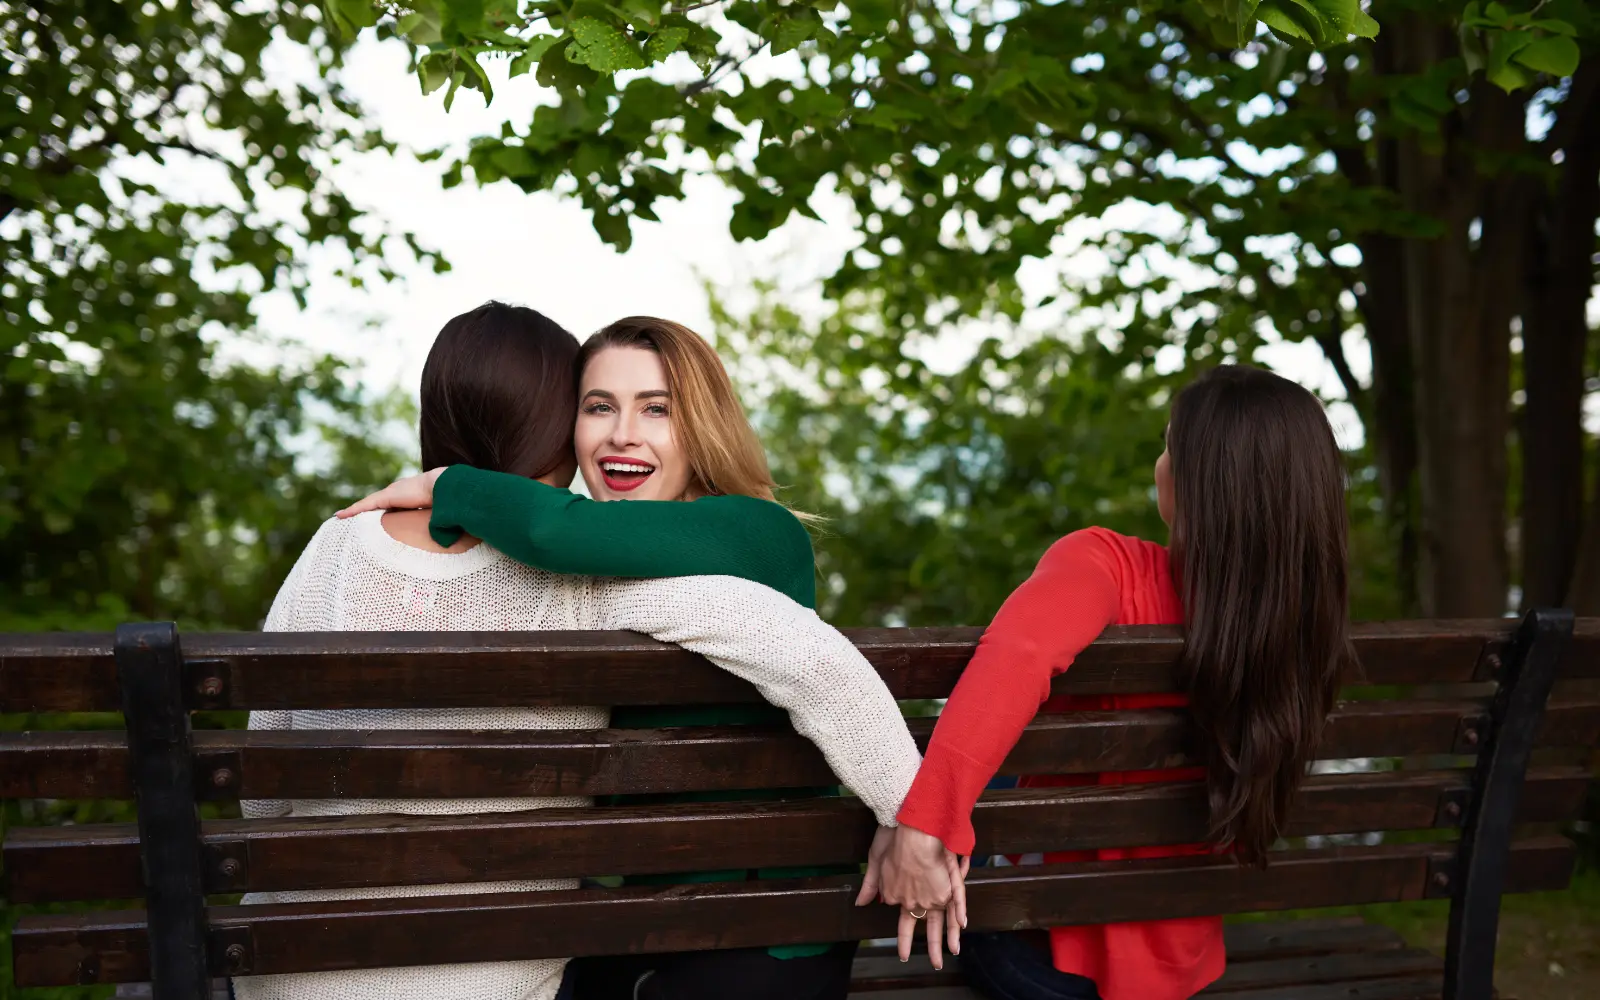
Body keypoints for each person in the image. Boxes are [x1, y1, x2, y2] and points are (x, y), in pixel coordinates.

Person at [232, 303, 928, 1000]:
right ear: (564, 429)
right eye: (599, 407)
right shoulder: (597, 571)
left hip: (754, 927)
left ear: (702, 426)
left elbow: (557, 532)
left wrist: (449, 485)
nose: (623, 434)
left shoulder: (750, 533)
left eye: (657, 409)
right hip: (629, 927)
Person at [870, 365, 1354, 1000]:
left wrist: (919, 825)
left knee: (964, 782)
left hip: (1044, 963)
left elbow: (1017, 653)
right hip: (1185, 964)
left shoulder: (1111, 566)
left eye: (1168, 444)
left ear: (1195, 481)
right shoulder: (1301, 631)